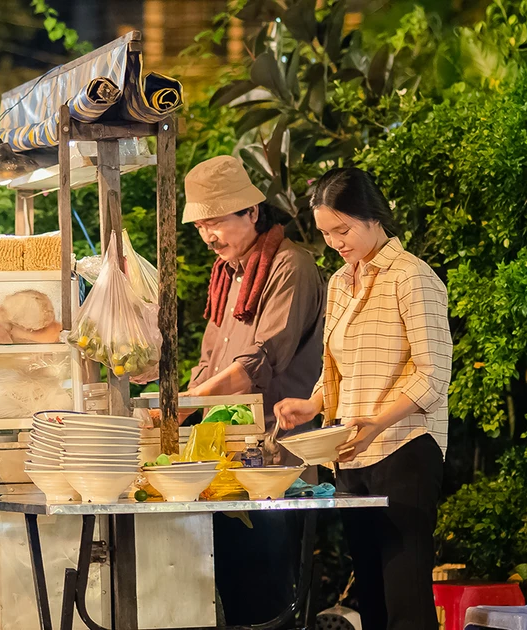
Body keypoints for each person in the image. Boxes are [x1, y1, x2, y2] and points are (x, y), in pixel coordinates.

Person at [275, 167, 451, 630]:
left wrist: (377, 421)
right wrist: (312, 405)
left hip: (405, 447)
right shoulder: (339, 282)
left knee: (404, 598)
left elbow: (433, 375)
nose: (335, 241)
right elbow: (338, 366)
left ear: (373, 217)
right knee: (369, 597)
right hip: (351, 455)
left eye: (343, 229)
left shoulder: (413, 277)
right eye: (326, 233)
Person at [181, 155, 326, 625]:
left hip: (276, 457)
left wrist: (187, 404)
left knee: (268, 592)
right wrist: (176, 410)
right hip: (227, 459)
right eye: (201, 225)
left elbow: (258, 365)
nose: (209, 236)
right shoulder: (227, 274)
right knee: (234, 585)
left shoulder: (291, 266)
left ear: (251, 212)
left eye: (217, 221)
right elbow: (210, 363)